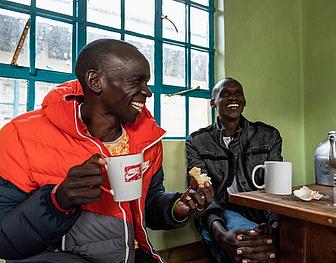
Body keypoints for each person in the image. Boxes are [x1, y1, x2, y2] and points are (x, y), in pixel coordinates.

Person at [0, 39, 213, 263]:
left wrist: (177, 207)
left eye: (147, 82)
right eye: (137, 81)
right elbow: (4, 242)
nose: (148, 93)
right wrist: (57, 201)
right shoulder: (20, 136)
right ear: (95, 81)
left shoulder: (147, 140)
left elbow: (147, 206)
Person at [185, 77, 283, 263]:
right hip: (223, 212)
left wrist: (275, 225)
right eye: (225, 94)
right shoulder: (197, 141)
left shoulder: (268, 135)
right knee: (245, 245)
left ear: (244, 101)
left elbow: (276, 188)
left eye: (238, 93)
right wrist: (220, 233)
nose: (233, 98)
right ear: (213, 102)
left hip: (264, 211)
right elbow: (202, 194)